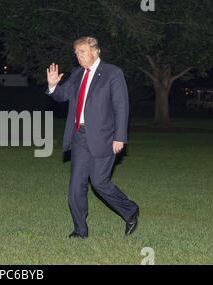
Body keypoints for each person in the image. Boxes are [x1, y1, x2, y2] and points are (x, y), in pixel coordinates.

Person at [46, 36, 139, 239]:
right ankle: (80, 230)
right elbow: (63, 95)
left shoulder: (112, 73)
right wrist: (53, 86)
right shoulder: (78, 74)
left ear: (95, 52)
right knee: (75, 187)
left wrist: (120, 136)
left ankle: (130, 210)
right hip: (79, 136)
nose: (79, 57)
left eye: (82, 52)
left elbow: (121, 106)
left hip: (105, 137)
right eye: (76, 53)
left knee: (99, 183)